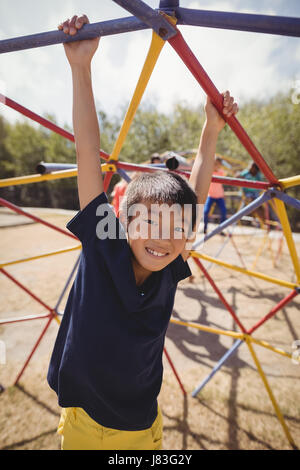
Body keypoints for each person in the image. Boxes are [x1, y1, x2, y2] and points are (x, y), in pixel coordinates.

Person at [47, 14, 238, 450]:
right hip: (84, 424)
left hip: (142, 425)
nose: (164, 236)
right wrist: (81, 68)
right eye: (149, 221)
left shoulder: (171, 266)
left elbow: (199, 192)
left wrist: (211, 128)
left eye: (177, 228)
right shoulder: (102, 248)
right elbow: (86, 150)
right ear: (121, 220)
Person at [203, 156, 227, 235]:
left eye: (217, 164)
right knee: (206, 211)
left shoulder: (221, 172)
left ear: (220, 165)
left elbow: (223, 181)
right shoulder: (209, 172)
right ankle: (205, 228)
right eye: (215, 163)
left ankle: (221, 229)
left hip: (219, 195)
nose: (216, 165)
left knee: (223, 212)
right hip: (211, 195)